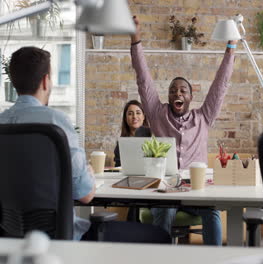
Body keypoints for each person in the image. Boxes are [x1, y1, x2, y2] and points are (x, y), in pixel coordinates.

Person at [130, 16, 236, 245]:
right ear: (168, 96)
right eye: (173, 90)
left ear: (190, 97)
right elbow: (143, 80)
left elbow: (221, 85)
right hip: (166, 186)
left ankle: (214, 261)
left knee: (212, 211)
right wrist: (135, 39)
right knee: (164, 212)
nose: (178, 93)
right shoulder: (158, 114)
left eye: (183, 90)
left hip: (197, 187)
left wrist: (231, 47)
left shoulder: (203, 117)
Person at [0, 47, 95, 240]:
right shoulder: (56, 121)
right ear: (45, 81)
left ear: (15, 82)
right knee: (157, 236)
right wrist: (90, 175)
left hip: (9, 239)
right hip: (59, 241)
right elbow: (85, 194)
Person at [113, 99, 150, 167]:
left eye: (138, 113)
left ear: (144, 116)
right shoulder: (121, 143)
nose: (134, 117)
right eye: (130, 114)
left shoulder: (152, 137)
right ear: (125, 118)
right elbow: (118, 166)